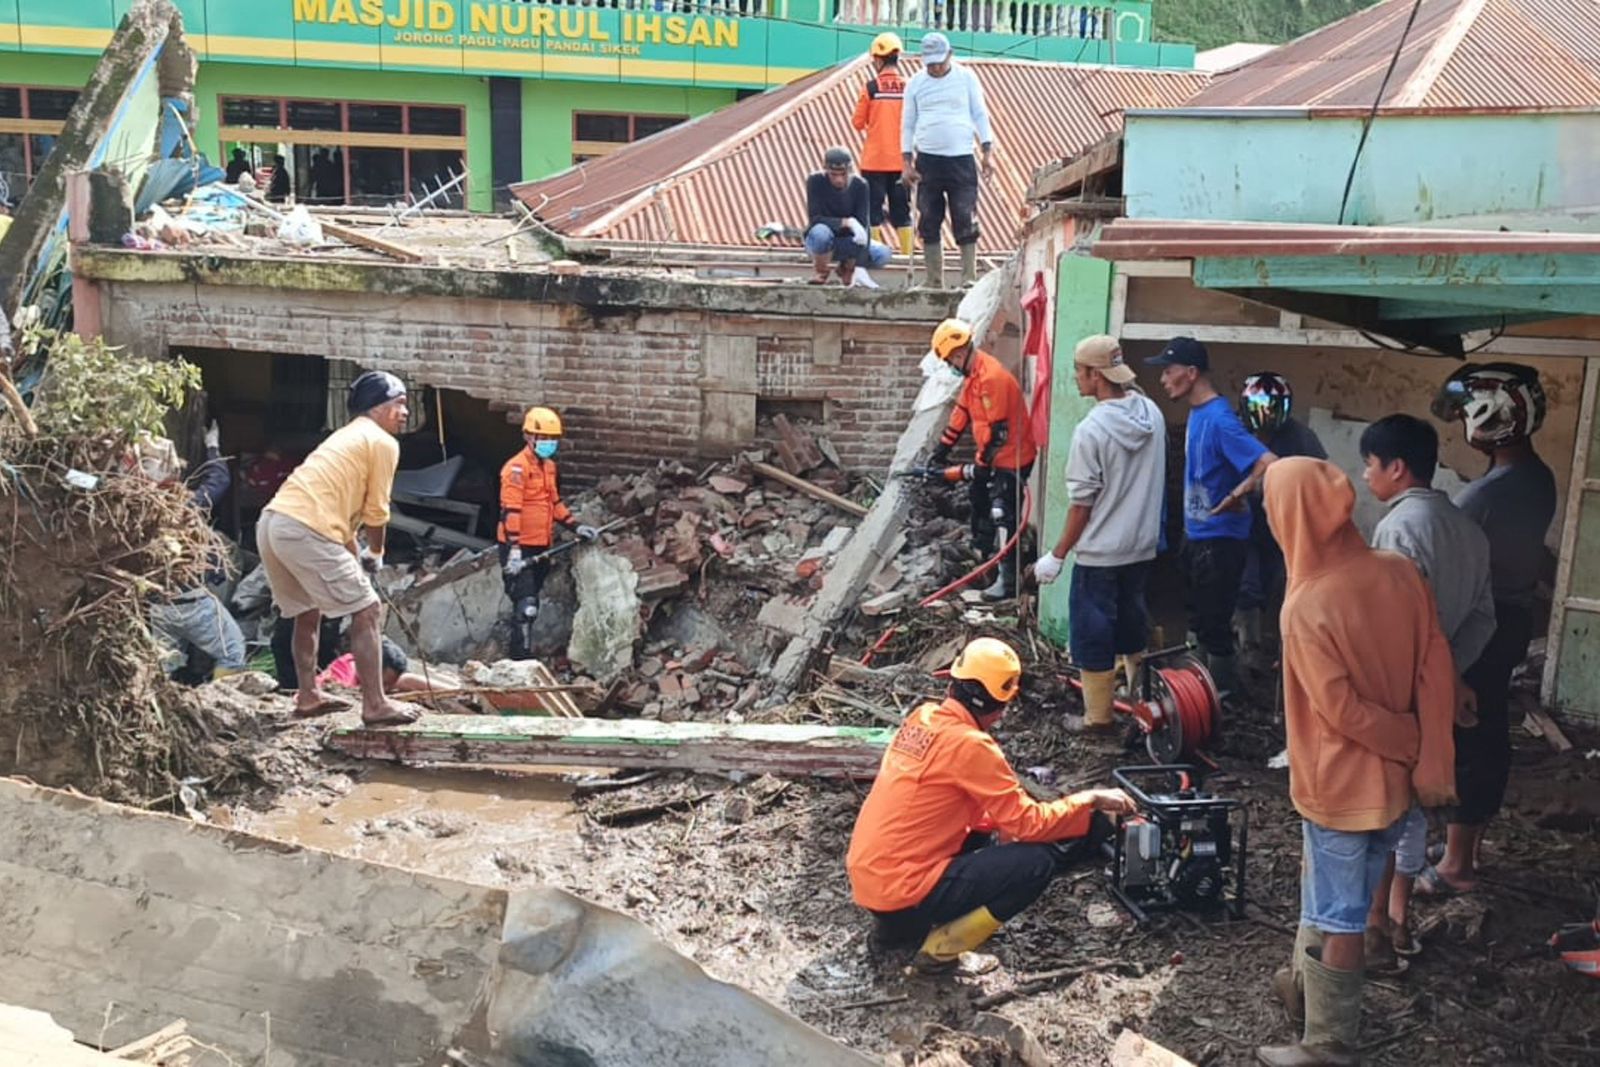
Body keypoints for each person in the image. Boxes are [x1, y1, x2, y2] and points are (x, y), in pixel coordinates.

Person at [1258, 458, 1456, 1067]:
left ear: (1289, 517)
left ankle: (1328, 1045)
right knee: (1334, 893)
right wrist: (1422, 747)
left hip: (1341, 785)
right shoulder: (1398, 572)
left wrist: (1403, 736)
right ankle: (1303, 991)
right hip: (1395, 787)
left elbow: (1340, 709)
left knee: (1340, 916)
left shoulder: (1307, 606)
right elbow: (1434, 660)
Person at [845, 637, 1135, 974]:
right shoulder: (972, 746)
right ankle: (940, 953)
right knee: (1034, 864)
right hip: (903, 893)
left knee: (989, 835)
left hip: (871, 880)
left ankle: (894, 932)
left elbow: (943, 804)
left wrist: (1001, 824)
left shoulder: (922, 718)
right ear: (1000, 704)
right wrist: (1088, 799)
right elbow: (1030, 824)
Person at [1357, 413, 1495, 971]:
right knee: (1414, 810)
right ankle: (1400, 916)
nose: (1364, 476)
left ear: (1396, 466)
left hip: (1398, 692)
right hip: (1437, 687)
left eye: (1369, 465)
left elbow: (1394, 625)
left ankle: (1376, 927)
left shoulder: (1397, 531)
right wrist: (1449, 675)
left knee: (1387, 810)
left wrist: (1401, 682)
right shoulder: (1468, 528)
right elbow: (1483, 618)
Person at [1420, 363, 1556, 898]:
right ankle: (1465, 847)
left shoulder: (1486, 496)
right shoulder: (1536, 476)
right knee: (1488, 727)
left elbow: (1452, 566)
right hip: (1513, 618)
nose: (1461, 428)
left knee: (1468, 734)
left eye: (1465, 417)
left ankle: (1457, 865)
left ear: (1491, 419)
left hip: (1483, 624)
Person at [257, 370, 418, 726]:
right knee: (368, 609)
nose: (405, 412)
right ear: (378, 407)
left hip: (273, 523)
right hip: (304, 528)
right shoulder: (381, 442)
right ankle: (375, 704)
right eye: (399, 404)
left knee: (306, 611)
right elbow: (377, 511)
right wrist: (375, 553)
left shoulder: (345, 438)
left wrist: (354, 557)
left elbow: (341, 522)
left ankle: (308, 696)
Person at [1031, 336, 1165, 731]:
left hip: (1100, 554)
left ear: (1095, 375)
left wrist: (1056, 555)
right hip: (1140, 547)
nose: (1075, 378)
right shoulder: (1152, 414)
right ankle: (1142, 701)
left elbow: (1082, 505)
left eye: (1079, 371)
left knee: (1093, 634)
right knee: (1131, 624)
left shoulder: (1091, 431)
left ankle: (1097, 719)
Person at [1144, 337, 1276, 696]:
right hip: (1198, 535)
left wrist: (1237, 494)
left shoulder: (1220, 419)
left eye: (1168, 371)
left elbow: (1268, 464)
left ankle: (1221, 697)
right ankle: (1194, 690)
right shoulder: (1198, 413)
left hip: (1221, 539)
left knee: (1214, 624)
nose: (1163, 379)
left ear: (1190, 373)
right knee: (1199, 616)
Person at [922, 318, 1037, 600]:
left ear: (959, 354)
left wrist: (982, 467)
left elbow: (998, 433)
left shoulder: (991, 378)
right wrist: (940, 452)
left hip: (1013, 457)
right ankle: (984, 559)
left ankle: (1008, 581)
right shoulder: (973, 375)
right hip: (994, 456)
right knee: (979, 499)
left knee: (1002, 513)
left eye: (950, 360)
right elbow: (960, 414)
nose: (951, 365)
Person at [148, 421, 248, 679]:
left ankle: (165, 708)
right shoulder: (186, 508)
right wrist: (213, 446)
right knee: (233, 652)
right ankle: (221, 705)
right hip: (192, 603)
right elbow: (219, 479)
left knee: (164, 665)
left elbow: (93, 484)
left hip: (157, 607)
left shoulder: (134, 515)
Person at [1235, 372, 1326, 654]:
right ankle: (1248, 645)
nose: (1264, 415)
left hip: (1287, 530)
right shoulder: (1236, 433)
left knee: (1283, 587)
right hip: (1246, 524)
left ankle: (1281, 645)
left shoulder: (1302, 439)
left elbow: (1320, 481)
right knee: (1247, 588)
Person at [498, 406, 598, 660]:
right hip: (519, 547)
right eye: (544, 439)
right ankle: (520, 659)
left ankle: (520, 649)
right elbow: (510, 511)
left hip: (542, 544)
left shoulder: (549, 468)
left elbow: (553, 504)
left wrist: (576, 526)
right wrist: (515, 550)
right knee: (527, 605)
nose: (549, 444)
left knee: (533, 599)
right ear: (529, 437)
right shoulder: (516, 469)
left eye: (553, 439)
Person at [901, 32, 993, 288]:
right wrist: (906, 162)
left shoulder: (966, 78)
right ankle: (933, 279)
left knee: (965, 215)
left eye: (939, 62)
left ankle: (968, 278)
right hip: (928, 161)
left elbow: (980, 114)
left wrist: (987, 152)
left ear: (950, 55)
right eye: (930, 63)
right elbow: (907, 124)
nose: (936, 68)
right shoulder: (915, 84)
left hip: (961, 159)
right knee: (929, 218)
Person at [851, 32, 913, 257]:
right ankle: (907, 259)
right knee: (902, 213)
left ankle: (876, 257)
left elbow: (857, 123)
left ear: (878, 59)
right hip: (901, 162)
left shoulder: (870, 88)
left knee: (873, 213)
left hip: (874, 162)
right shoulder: (910, 87)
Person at [803, 147, 892, 286]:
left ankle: (847, 268)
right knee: (821, 233)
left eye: (843, 174)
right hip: (822, 242)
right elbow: (815, 219)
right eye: (833, 175)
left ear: (849, 171)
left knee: (883, 253)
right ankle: (821, 271)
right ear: (826, 171)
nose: (839, 180)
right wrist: (846, 222)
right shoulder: (815, 181)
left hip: (848, 240)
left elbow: (864, 225)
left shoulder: (860, 185)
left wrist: (860, 265)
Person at [317, 635, 431, 695]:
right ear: (370, 668)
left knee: (408, 680)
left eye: (389, 685)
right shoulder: (345, 679)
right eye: (383, 684)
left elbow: (405, 680)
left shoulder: (361, 663)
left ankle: (449, 691)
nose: (385, 689)